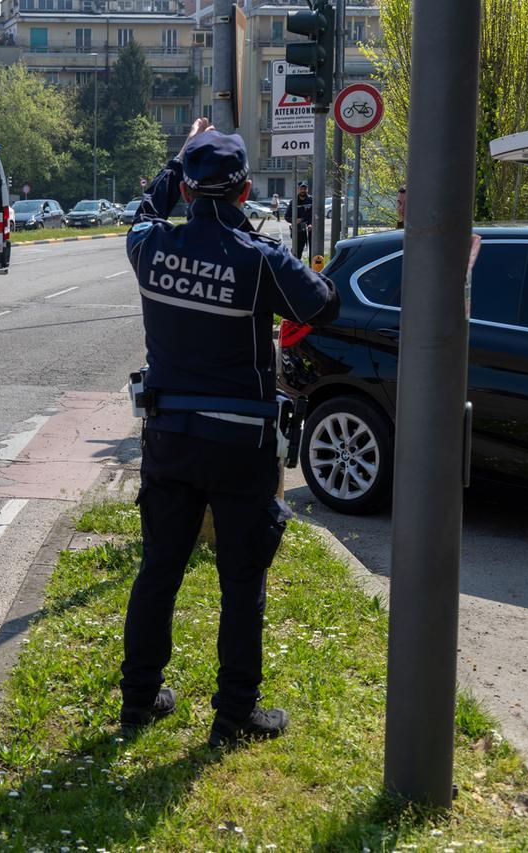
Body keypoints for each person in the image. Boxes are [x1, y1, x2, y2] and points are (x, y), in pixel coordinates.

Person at [118, 119, 340, 747]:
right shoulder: (260, 260)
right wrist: (256, 238)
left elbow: (143, 210)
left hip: (168, 436)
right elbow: (322, 304)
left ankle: (138, 702)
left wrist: (177, 159)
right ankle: (234, 715)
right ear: (244, 193)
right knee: (242, 583)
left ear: (186, 191)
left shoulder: (148, 248)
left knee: (158, 568)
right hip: (240, 445)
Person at [285, 181, 313, 260]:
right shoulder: (293, 201)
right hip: (298, 231)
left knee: (312, 252)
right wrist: (294, 220)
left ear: (307, 189)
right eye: (301, 188)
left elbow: (314, 215)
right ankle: (296, 268)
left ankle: (311, 269)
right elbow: (287, 217)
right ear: (298, 189)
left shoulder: (311, 200)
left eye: (304, 188)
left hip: (310, 230)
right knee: (297, 252)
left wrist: (311, 224)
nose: (303, 190)